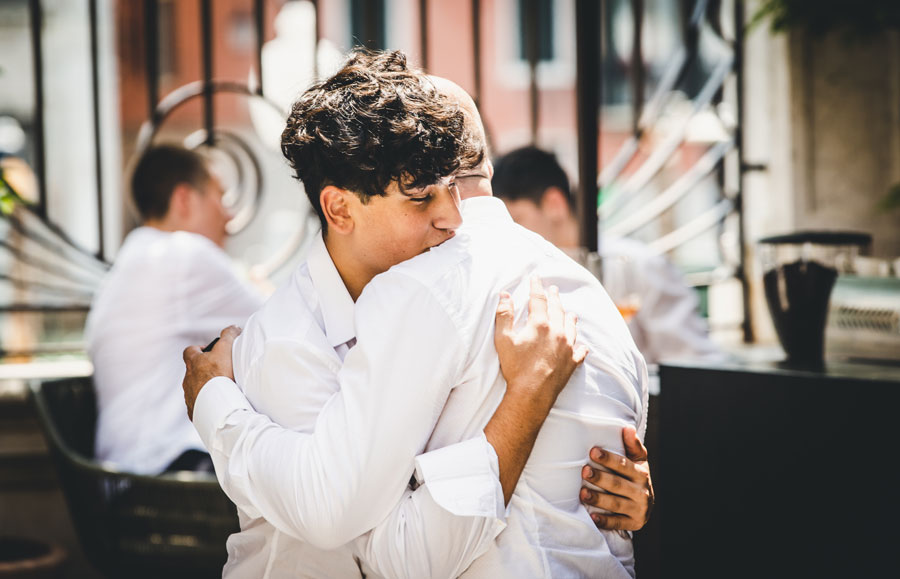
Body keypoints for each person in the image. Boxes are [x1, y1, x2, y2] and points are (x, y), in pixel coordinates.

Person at [184, 50, 651, 578]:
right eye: (422, 197)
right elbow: (339, 522)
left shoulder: (456, 296)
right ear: (340, 209)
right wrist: (216, 406)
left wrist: (595, 485)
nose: (453, 218)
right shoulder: (289, 341)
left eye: (455, 185)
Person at [85, 145, 263, 474]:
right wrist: (261, 287)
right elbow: (279, 324)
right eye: (219, 196)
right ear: (183, 199)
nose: (229, 215)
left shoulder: (133, 258)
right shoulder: (185, 256)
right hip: (165, 470)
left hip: (121, 472)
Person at [492, 145, 721, 365]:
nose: (512, 233)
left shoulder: (638, 264)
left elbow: (691, 359)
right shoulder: (523, 275)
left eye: (517, 218)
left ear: (554, 204)